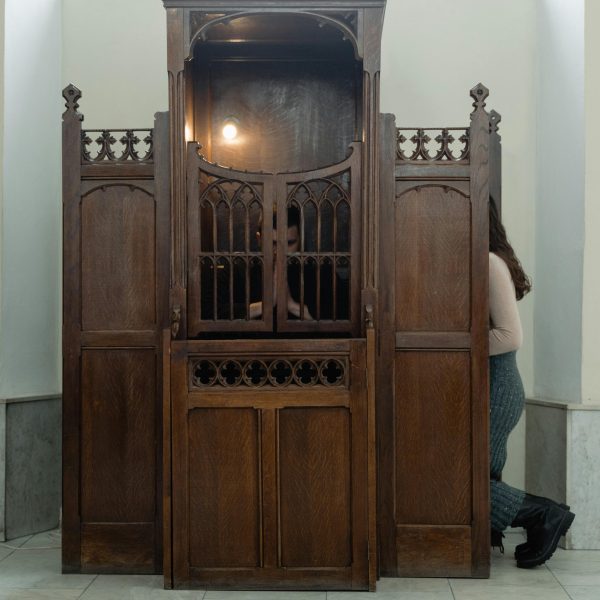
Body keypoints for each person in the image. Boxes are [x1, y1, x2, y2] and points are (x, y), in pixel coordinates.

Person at [488, 197, 575, 568]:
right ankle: (544, 515)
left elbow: (510, 336)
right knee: (475, 475)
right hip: (491, 387)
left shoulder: (488, 262)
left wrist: (458, 348)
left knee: (463, 480)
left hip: (497, 389)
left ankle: (543, 514)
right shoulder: (483, 259)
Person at [249, 206, 314, 321]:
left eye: (289, 243)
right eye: (272, 243)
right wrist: (264, 306)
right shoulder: (239, 272)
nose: (280, 251)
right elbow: (216, 313)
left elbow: (342, 316)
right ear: (259, 239)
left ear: (301, 239)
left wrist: (291, 305)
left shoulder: (319, 272)